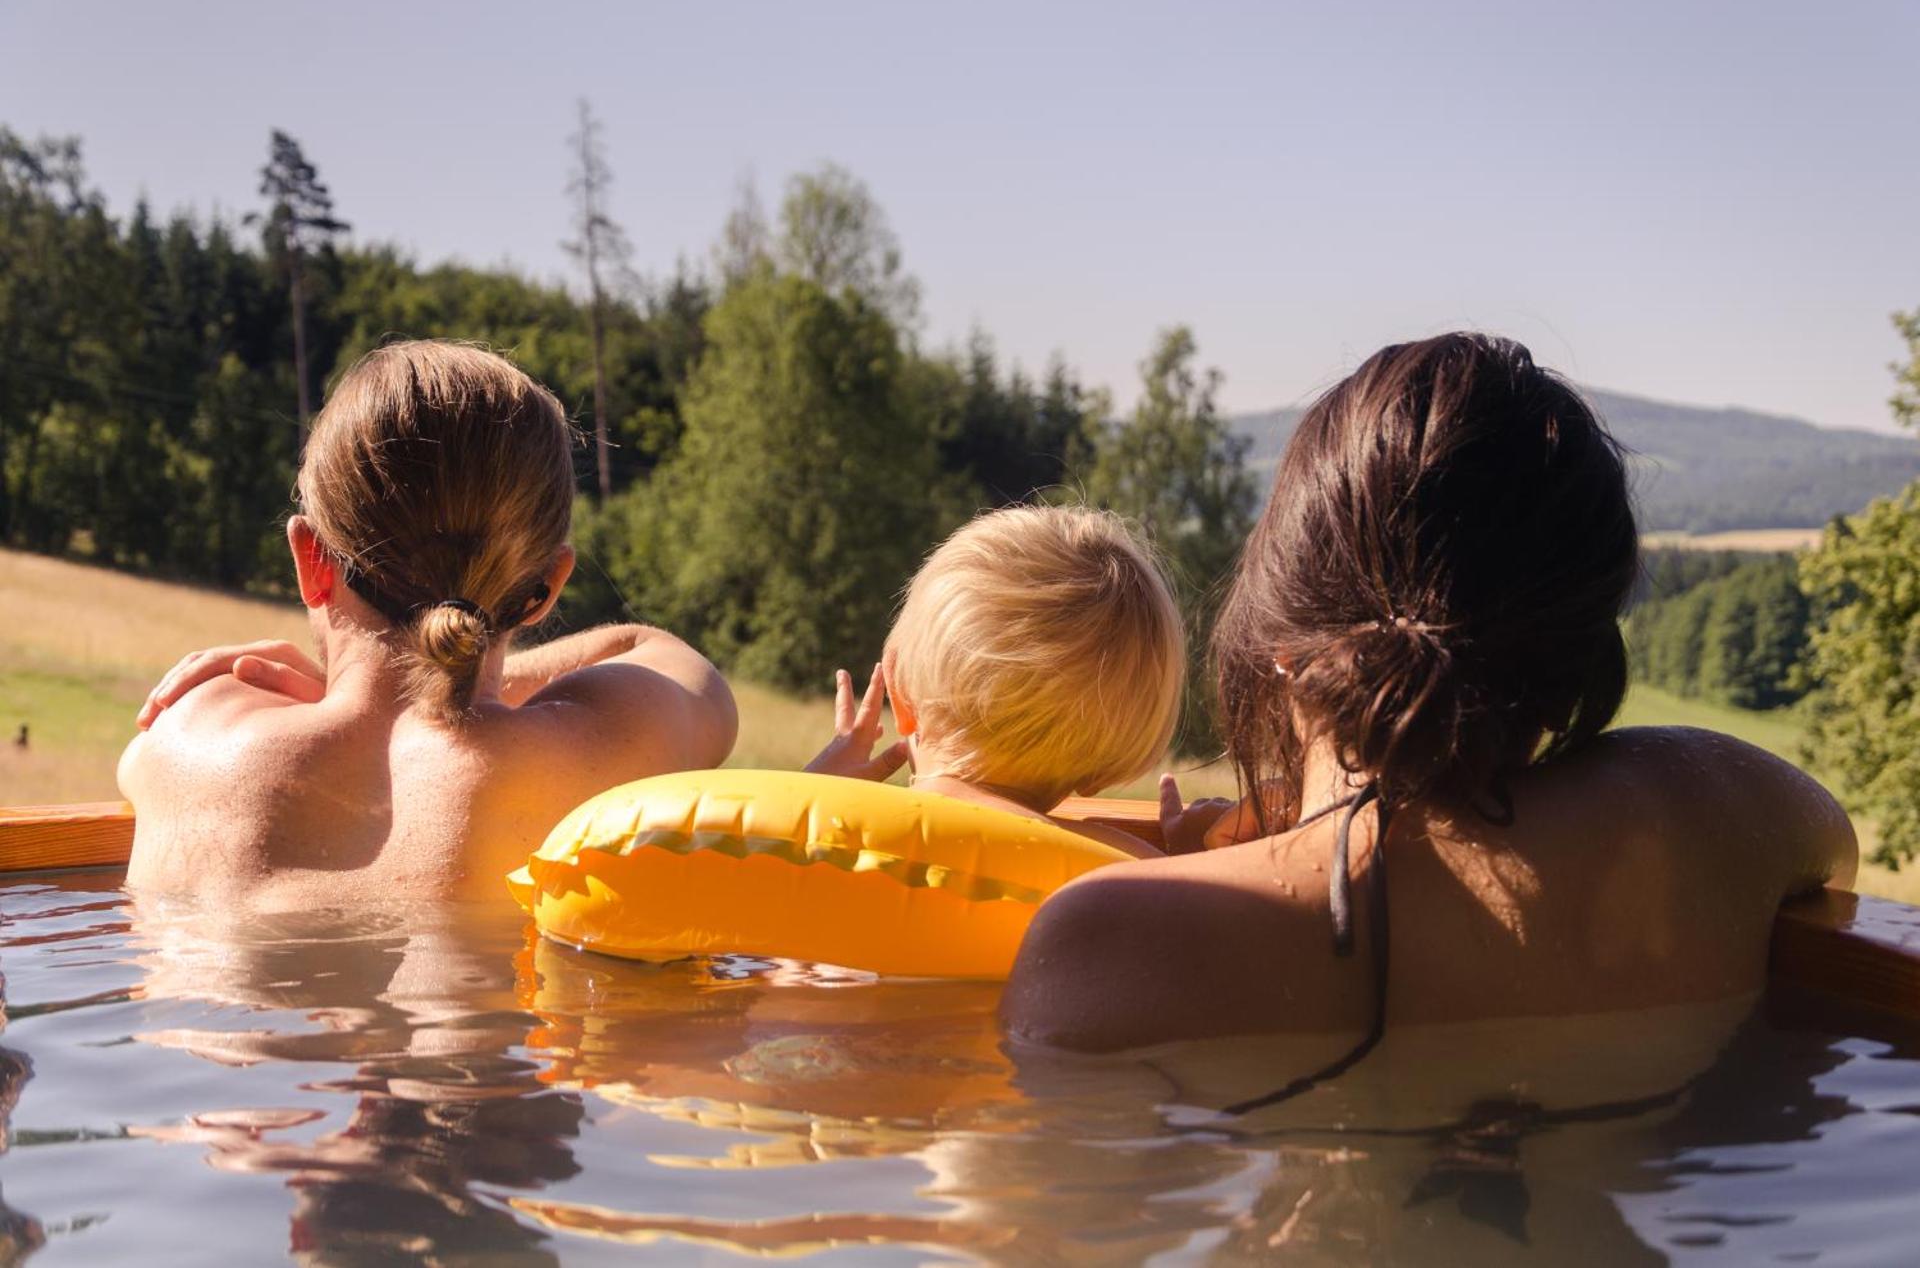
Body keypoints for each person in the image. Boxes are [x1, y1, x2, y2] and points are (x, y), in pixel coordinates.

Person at [1001, 333, 1856, 1065]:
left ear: (1284, 640)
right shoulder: (1717, 807)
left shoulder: (1112, 941)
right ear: (1573, 662)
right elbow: (1835, 858)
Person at [121, 341, 736, 907]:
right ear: (545, 588)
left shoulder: (189, 737)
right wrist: (447, 675)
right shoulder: (585, 752)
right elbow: (649, 647)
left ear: (311, 559)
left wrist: (348, 692)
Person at [806, 504, 1185, 859]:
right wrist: (1186, 854)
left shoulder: (811, 836)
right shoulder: (1136, 876)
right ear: (1104, 769)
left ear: (900, 696)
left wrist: (815, 795)